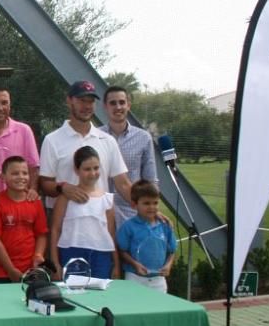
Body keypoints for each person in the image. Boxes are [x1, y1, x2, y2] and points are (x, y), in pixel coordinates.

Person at [39, 81, 132, 215]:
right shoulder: (52, 140)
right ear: (69, 101)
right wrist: (63, 188)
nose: (87, 106)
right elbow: (45, 184)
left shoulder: (108, 140)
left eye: (91, 101)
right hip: (64, 222)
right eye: (82, 101)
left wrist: (147, 209)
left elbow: (123, 184)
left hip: (99, 220)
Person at [50, 146, 119, 280]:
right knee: (74, 293)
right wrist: (55, 263)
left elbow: (111, 232)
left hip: (101, 255)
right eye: (87, 169)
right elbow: (55, 230)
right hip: (72, 252)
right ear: (77, 170)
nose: (93, 173)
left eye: (96, 168)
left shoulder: (107, 199)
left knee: (100, 296)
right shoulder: (66, 197)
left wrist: (116, 264)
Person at [0, 156, 49, 283]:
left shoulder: (35, 201)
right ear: (2, 176)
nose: (21, 177)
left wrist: (38, 255)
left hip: (31, 269)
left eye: (25, 173)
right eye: (15, 173)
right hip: (1, 270)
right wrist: (10, 270)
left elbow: (41, 234)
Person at [101, 86, 158, 226]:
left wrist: (151, 210)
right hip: (102, 211)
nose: (118, 107)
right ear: (105, 107)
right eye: (113, 103)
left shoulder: (143, 138)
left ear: (128, 105)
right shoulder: (96, 137)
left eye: (122, 102)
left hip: (132, 212)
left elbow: (150, 180)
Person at [117, 180, 177, 293]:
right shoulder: (128, 227)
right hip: (134, 278)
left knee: (159, 308)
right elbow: (122, 251)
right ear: (134, 205)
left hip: (158, 279)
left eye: (155, 203)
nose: (152, 207)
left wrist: (168, 265)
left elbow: (172, 251)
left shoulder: (165, 225)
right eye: (146, 203)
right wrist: (135, 264)